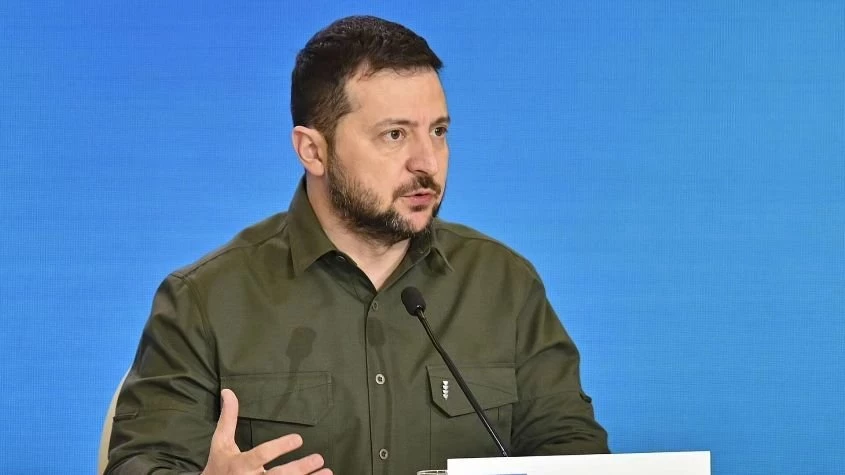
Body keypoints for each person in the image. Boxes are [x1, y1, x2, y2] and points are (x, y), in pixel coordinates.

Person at [106, 15, 609, 475]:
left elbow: (573, 452)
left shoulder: (504, 285)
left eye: (438, 131)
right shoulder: (205, 300)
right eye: (395, 135)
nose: (427, 162)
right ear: (313, 150)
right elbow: (140, 463)